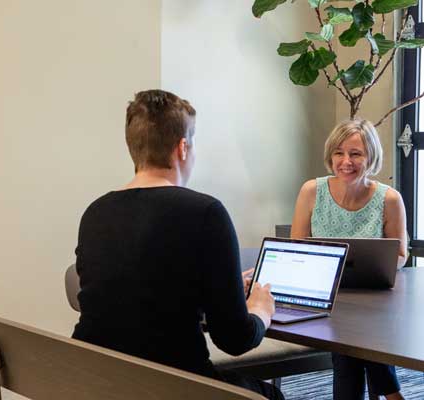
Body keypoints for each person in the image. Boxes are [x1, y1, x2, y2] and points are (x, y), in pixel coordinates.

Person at [72, 89, 283, 400]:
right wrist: (259, 310)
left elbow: (145, 294)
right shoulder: (206, 212)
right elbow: (235, 340)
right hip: (176, 386)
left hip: (99, 381)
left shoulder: (96, 212)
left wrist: (222, 290)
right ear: (183, 147)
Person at [291, 119, 408, 400]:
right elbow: (295, 247)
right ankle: (392, 394)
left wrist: (380, 265)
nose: (346, 161)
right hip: (325, 295)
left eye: (356, 154)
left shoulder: (389, 199)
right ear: (331, 156)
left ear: (371, 157)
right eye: (339, 153)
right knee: (355, 337)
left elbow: (401, 256)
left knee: (353, 343)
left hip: (373, 300)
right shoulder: (312, 191)